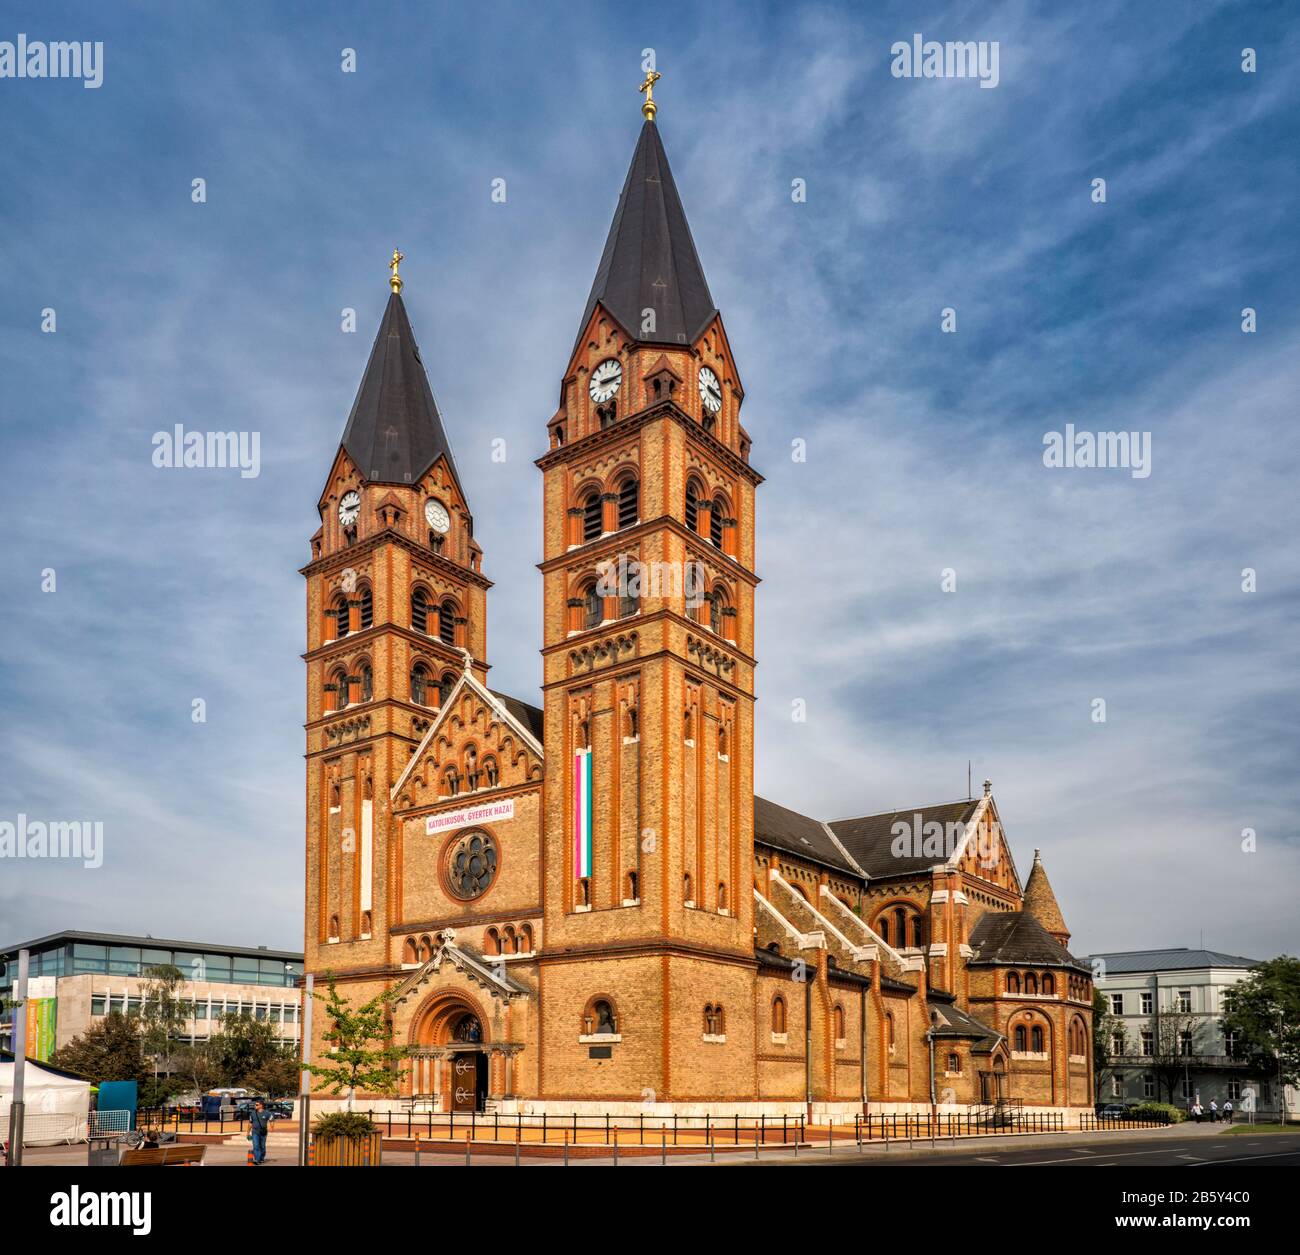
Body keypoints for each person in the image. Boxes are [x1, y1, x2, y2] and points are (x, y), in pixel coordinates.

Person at [249, 1099, 271, 1165]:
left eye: (257, 1105)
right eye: (255, 1105)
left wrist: (271, 1127)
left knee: (262, 1146)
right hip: (255, 1132)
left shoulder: (267, 1113)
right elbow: (250, 1123)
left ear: (261, 1105)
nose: (255, 1106)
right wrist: (248, 1132)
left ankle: (261, 1158)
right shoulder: (253, 1113)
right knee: (256, 1146)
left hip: (263, 1132)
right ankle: (257, 1159)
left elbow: (271, 1121)